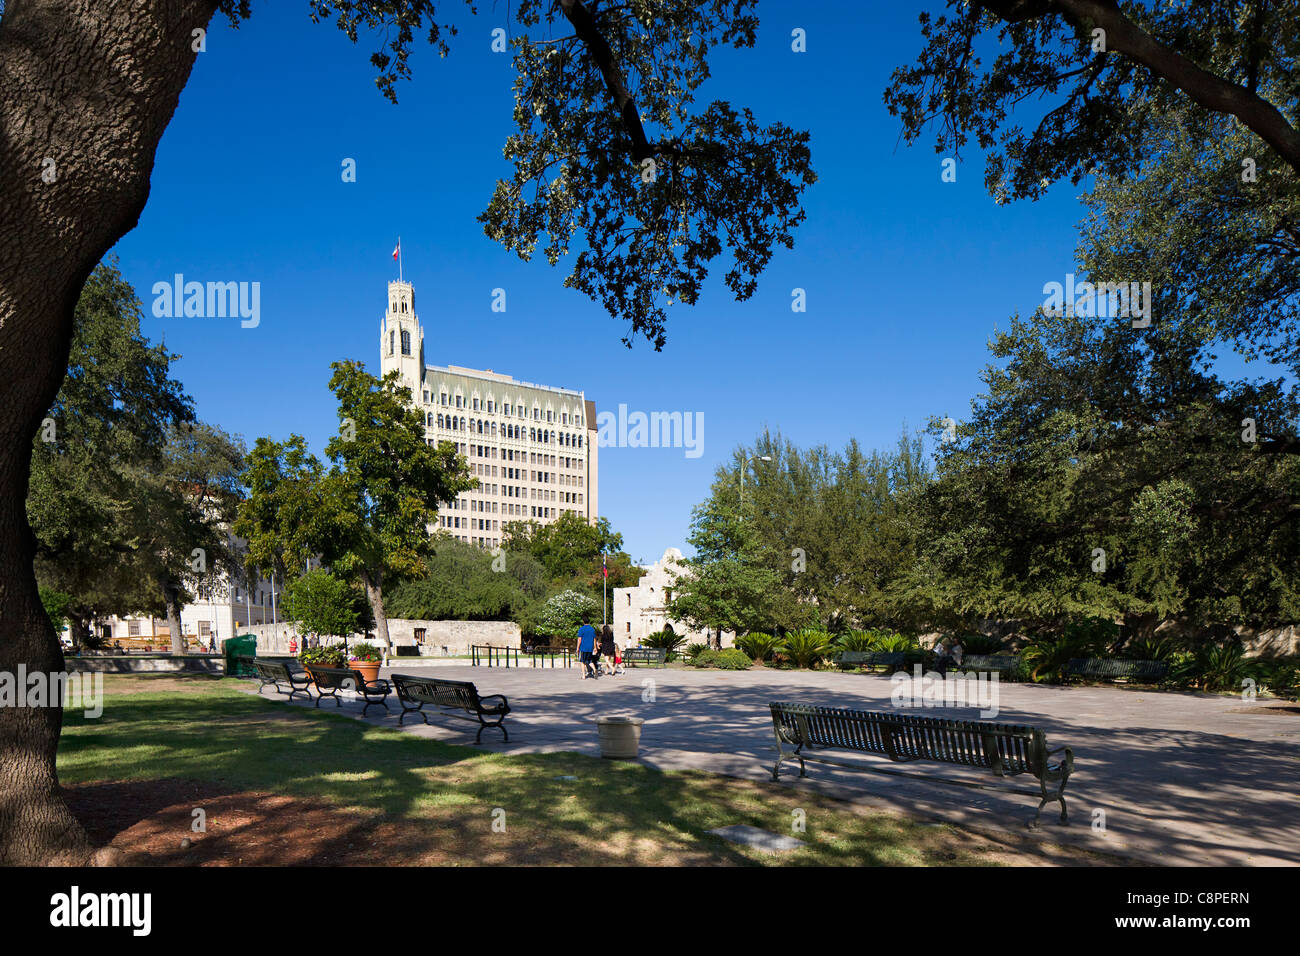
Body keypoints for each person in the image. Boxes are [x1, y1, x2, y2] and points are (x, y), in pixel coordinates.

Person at [576, 614, 598, 679]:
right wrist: (595, 647)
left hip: (583, 647)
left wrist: (577, 648)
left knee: (582, 661)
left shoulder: (581, 629)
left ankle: (583, 675)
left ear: (583, 621)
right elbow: (594, 639)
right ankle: (594, 669)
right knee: (589, 660)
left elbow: (579, 639)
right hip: (590, 647)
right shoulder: (592, 629)